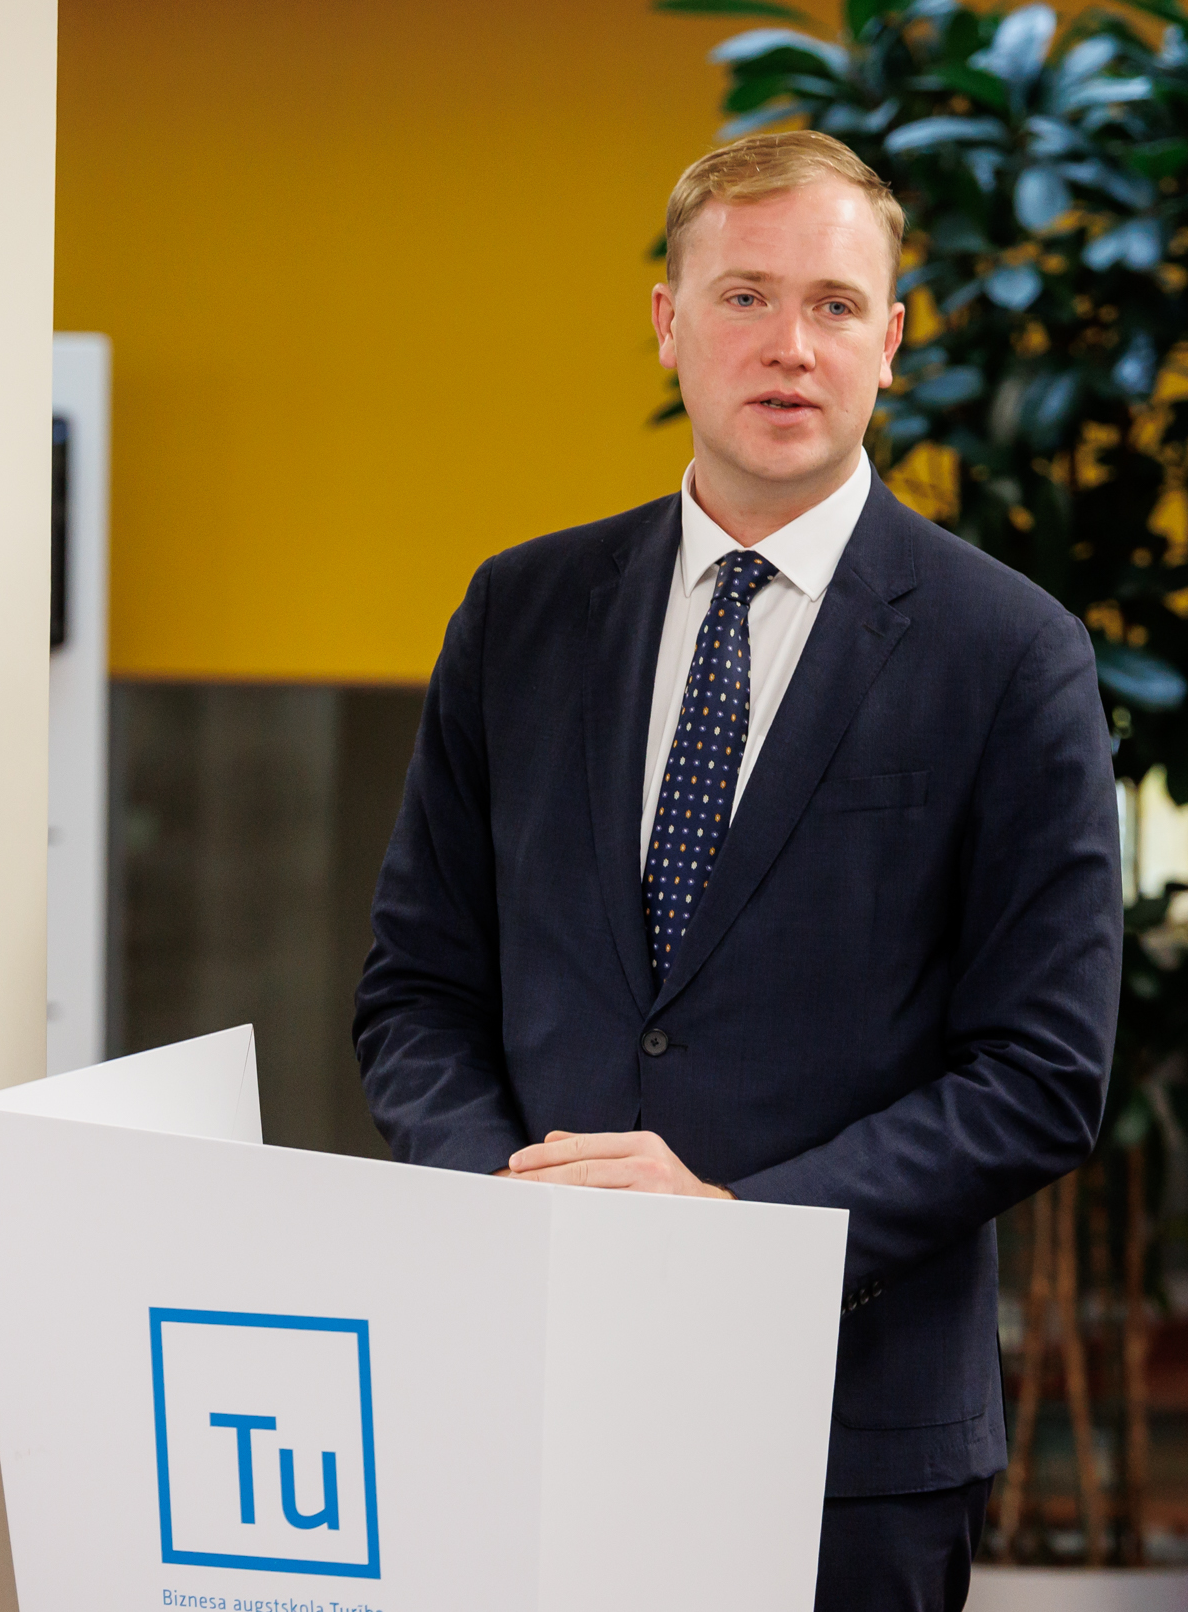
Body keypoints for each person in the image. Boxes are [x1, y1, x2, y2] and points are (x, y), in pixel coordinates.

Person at [353, 130, 1121, 1612]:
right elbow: (418, 992)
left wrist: (731, 1238)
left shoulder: (1014, 655)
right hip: (529, 1392)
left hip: (845, 1438)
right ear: (668, 320)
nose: (790, 346)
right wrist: (505, 1203)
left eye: (835, 305)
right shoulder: (519, 614)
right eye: (746, 296)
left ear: (891, 341)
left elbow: (1041, 1072)